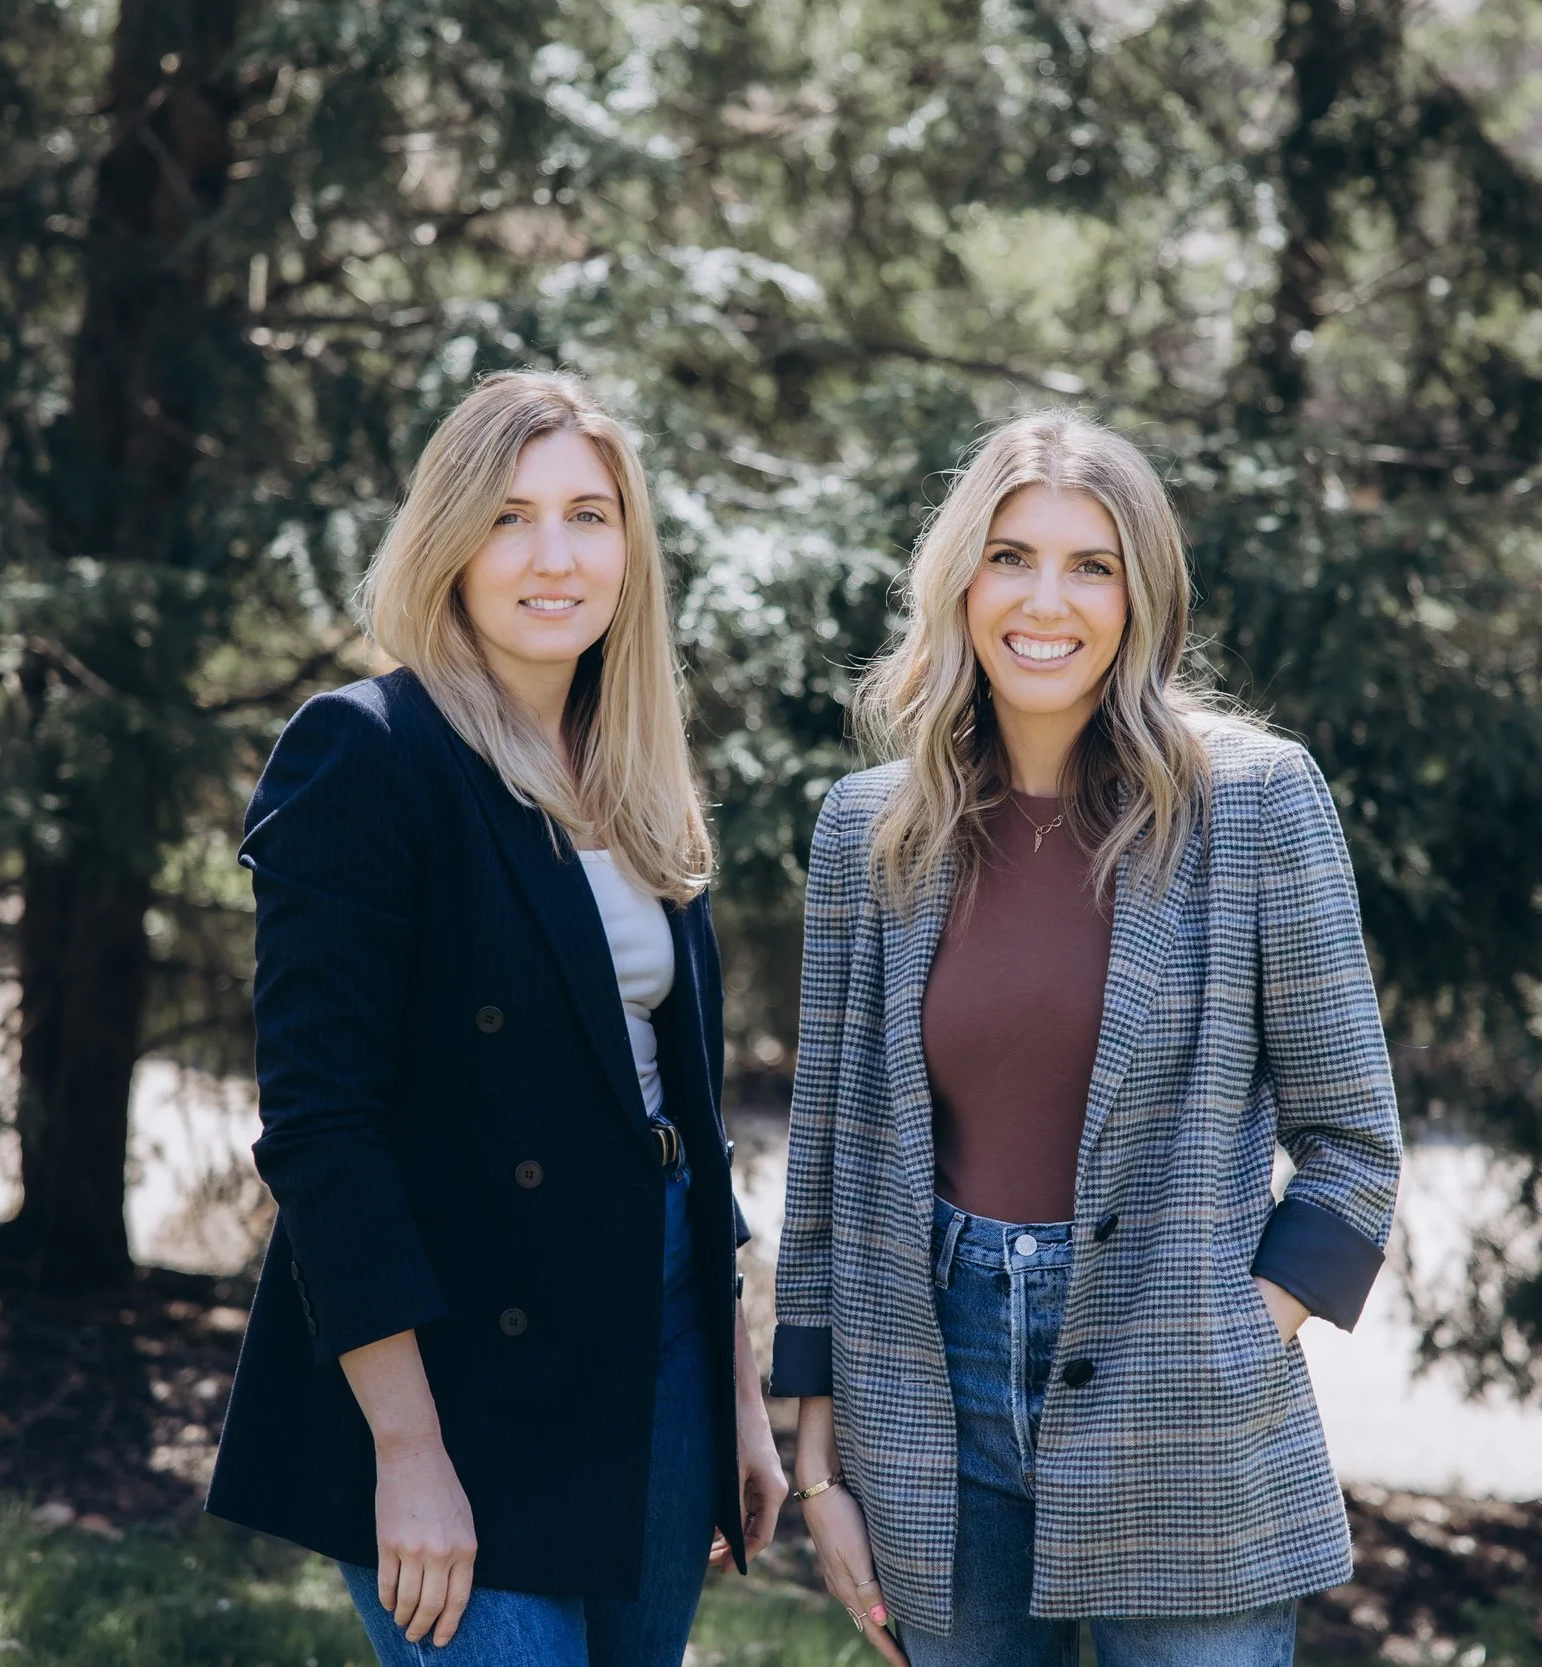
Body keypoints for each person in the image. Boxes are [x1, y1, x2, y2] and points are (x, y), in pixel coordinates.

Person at [770, 412, 1404, 1667]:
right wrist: (819, 1463)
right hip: (928, 1397)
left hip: (1187, 1401)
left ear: (1141, 597)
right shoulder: (867, 830)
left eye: (1090, 564)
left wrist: (1231, 1334)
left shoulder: (1257, 803)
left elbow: (1353, 1148)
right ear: (960, 580)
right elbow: (830, 1162)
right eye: (1010, 556)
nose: (1043, 599)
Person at [207, 371, 788, 1666]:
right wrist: (407, 1452)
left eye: (590, 515)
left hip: (660, 1335)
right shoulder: (366, 752)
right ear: (450, 543)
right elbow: (321, 1130)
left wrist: (736, 1391)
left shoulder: (634, 772)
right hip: (453, 1361)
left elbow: (681, 1106)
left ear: (630, 548)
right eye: (511, 516)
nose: (553, 555)